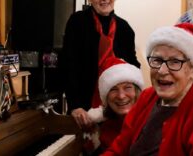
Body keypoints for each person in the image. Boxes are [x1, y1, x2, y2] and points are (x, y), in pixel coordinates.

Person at [103, 23, 193, 156]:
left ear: (192, 70)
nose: (162, 71)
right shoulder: (147, 96)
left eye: (174, 62)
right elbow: (118, 148)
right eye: (157, 60)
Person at [59, 0, 140, 129]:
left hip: (116, 108)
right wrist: (75, 105)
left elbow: (133, 67)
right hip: (83, 109)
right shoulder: (77, 22)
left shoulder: (125, 28)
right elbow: (68, 66)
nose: (104, 0)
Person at [83, 57, 144, 154]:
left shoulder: (150, 123)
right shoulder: (104, 130)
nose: (121, 96)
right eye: (113, 89)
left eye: (127, 87)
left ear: (137, 92)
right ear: (106, 97)